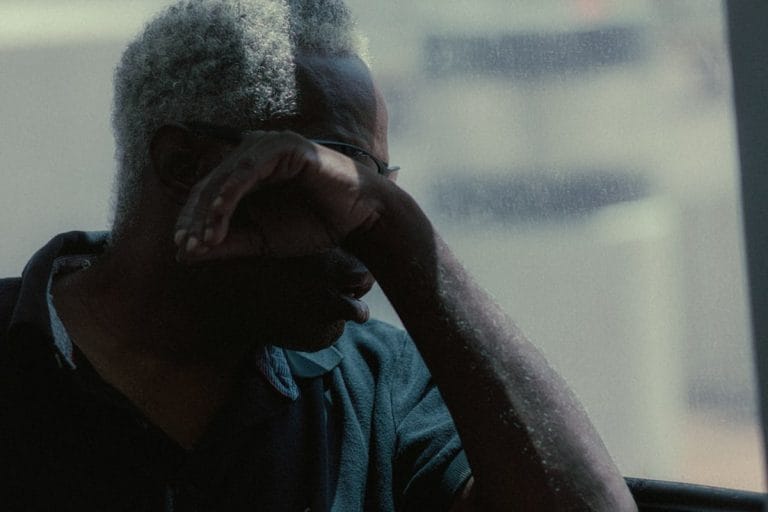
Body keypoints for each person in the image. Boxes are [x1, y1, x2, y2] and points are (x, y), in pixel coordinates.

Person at [0, 0, 637, 510]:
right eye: (327, 180)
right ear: (183, 165)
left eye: (373, 195)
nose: (359, 235)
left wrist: (397, 230)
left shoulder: (380, 382)